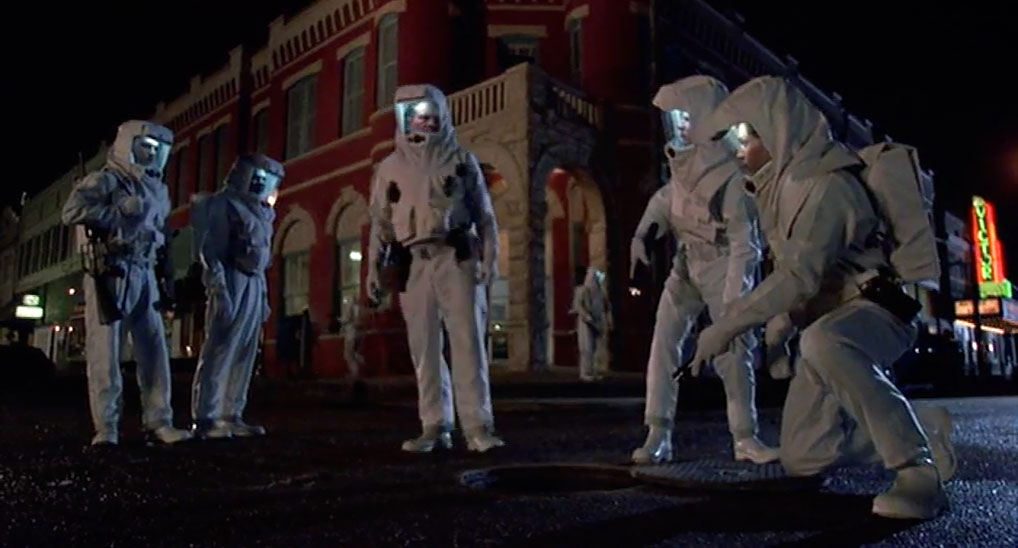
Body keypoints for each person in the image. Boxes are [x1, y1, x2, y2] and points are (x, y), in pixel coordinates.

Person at [691, 76, 956, 519]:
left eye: (748, 136)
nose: (739, 150)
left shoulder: (826, 185)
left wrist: (727, 325)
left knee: (823, 342)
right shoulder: (782, 188)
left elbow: (800, 274)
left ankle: (918, 472)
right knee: (805, 456)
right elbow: (801, 273)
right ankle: (922, 429)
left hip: (877, 308)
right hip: (831, 320)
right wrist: (779, 328)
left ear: (778, 130)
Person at [629, 76, 776, 465]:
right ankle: (658, 433)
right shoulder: (684, 161)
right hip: (686, 263)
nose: (677, 124)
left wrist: (733, 302)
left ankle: (745, 437)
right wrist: (642, 235)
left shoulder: (731, 176)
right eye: (673, 117)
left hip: (723, 264)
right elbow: (667, 198)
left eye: (684, 115)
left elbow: (746, 244)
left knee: (732, 351)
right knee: (664, 344)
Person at [366, 84, 504, 453]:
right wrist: (373, 268)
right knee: (423, 346)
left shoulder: (461, 160)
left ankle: (478, 426)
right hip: (413, 261)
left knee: (467, 342)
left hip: (455, 256)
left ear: (440, 114)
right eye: (412, 115)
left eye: (427, 114)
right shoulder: (390, 168)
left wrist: (491, 258)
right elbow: (380, 222)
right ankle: (435, 424)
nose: (420, 122)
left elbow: (485, 216)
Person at [61, 120, 192, 446]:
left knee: (155, 349)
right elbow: (72, 211)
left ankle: (159, 420)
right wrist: (117, 213)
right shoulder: (107, 179)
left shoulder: (158, 189)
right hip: (111, 269)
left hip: (145, 270)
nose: (150, 154)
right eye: (144, 146)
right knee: (106, 352)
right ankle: (107, 427)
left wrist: (166, 275)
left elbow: (162, 235)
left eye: (156, 149)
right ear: (128, 145)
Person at [190, 154, 283, 439]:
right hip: (232, 279)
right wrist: (218, 289)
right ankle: (207, 416)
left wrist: (263, 297)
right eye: (257, 177)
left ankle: (231, 413)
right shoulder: (224, 204)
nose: (260, 184)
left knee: (245, 351)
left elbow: (262, 259)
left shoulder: (262, 213)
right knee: (221, 348)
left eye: (266, 180)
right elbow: (211, 251)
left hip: (253, 283)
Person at [572, 266, 612, 381]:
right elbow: (578, 306)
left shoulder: (601, 292)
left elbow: (607, 307)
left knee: (596, 348)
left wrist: (608, 320)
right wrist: (587, 317)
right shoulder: (582, 290)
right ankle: (585, 372)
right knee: (586, 347)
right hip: (586, 323)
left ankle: (595, 370)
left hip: (598, 322)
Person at [340, 296, 365, 379]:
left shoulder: (350, 307)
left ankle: (355, 374)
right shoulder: (361, 308)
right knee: (356, 353)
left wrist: (341, 321)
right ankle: (359, 369)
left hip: (351, 334)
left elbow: (346, 318)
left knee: (348, 355)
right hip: (360, 334)